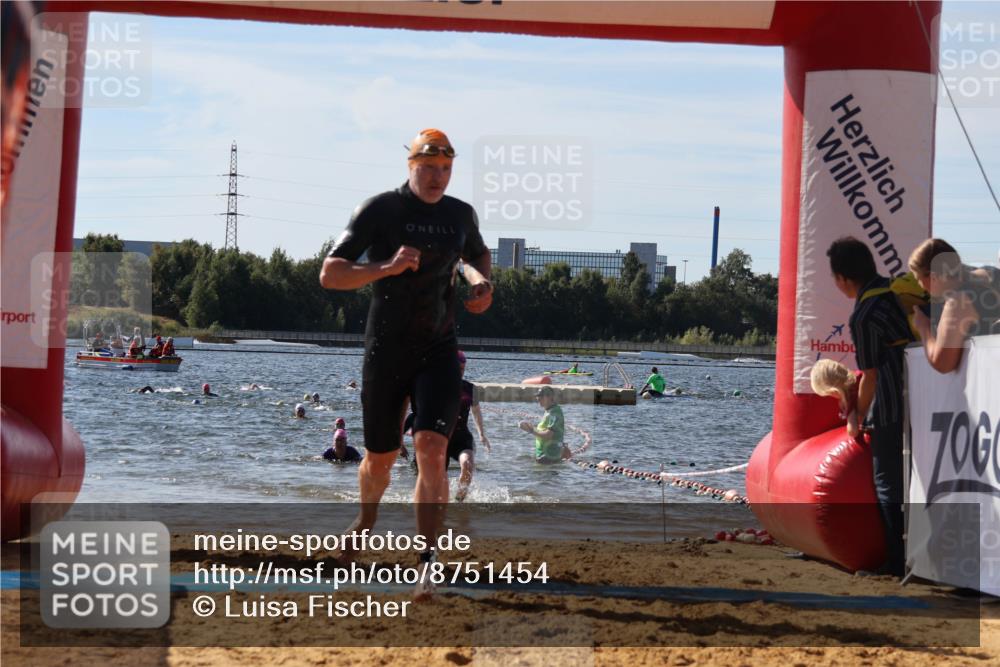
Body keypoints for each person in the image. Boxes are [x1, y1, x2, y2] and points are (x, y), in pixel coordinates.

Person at [319, 128, 492, 599]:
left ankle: (428, 563)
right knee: (379, 461)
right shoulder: (380, 210)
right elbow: (330, 274)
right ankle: (367, 519)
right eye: (429, 168)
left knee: (432, 449)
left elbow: (477, 252)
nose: (438, 177)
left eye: (446, 169)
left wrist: (482, 285)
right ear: (410, 165)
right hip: (386, 350)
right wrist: (385, 268)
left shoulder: (460, 214)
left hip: (439, 347)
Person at [827, 236, 914, 577]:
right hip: (929, 399)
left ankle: (897, 563)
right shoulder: (896, 292)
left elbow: (871, 376)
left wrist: (856, 416)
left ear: (844, 280)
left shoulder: (863, 315)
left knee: (887, 483)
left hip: (893, 405)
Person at [908, 238, 1000, 373]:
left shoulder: (958, 302)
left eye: (919, 280)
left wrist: (924, 327)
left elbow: (942, 363)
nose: (922, 288)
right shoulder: (991, 274)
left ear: (933, 277)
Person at [810, 359, 863, 440]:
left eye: (829, 394)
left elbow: (853, 431)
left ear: (834, 390)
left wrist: (847, 408)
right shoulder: (860, 375)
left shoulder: (850, 394)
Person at [519, 385, 572, 464]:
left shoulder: (554, 413)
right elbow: (557, 433)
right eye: (538, 397)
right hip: (545, 456)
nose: (538, 399)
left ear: (550, 397)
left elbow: (548, 435)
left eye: (541, 397)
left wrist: (531, 430)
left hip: (548, 457)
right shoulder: (549, 410)